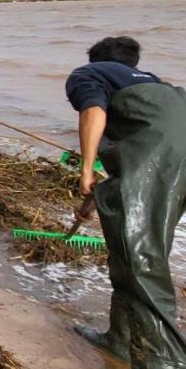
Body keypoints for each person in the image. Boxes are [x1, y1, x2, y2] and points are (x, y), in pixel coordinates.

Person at [65, 36, 186, 367]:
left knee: (141, 261)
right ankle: (120, 339)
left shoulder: (88, 74)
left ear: (96, 60)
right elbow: (135, 161)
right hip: (175, 160)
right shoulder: (156, 84)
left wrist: (86, 169)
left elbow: (93, 112)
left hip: (161, 158)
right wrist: (93, 200)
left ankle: (166, 360)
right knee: (132, 248)